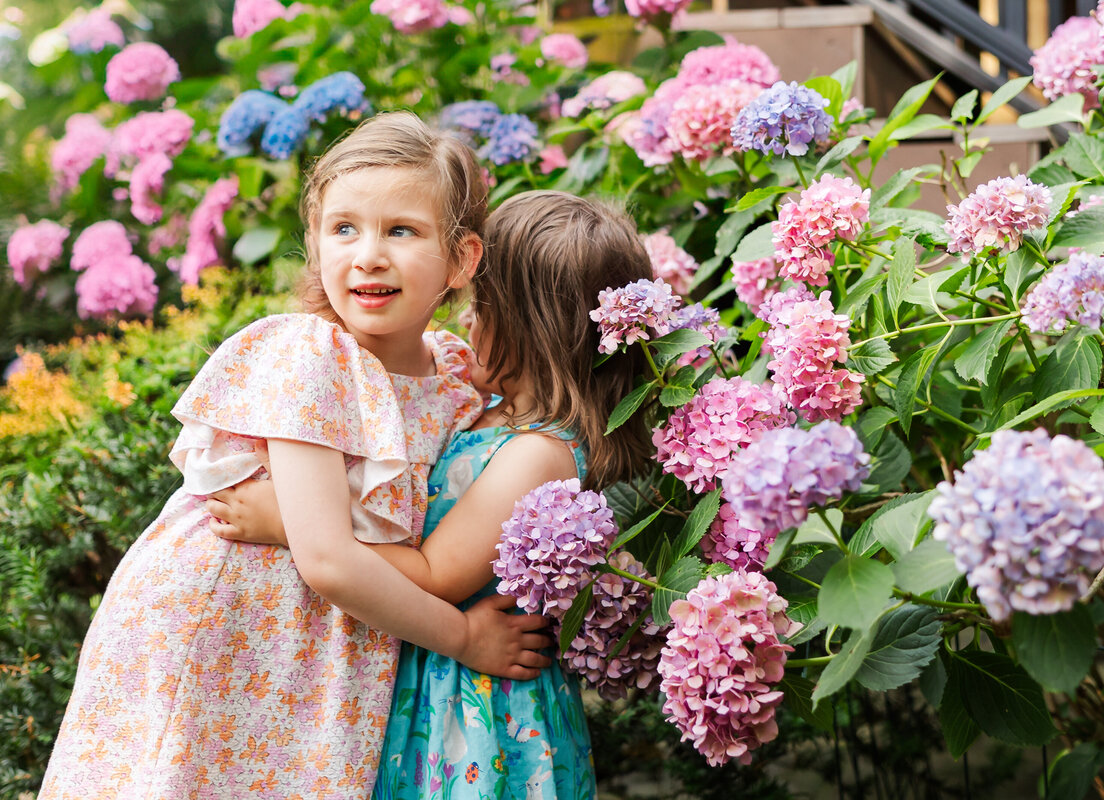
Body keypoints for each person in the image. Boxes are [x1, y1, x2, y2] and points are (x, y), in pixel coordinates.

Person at [38, 112, 554, 800]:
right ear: (314, 243)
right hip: (231, 625)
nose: (368, 254)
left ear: (462, 259)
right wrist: (462, 638)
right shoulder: (312, 355)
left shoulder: (454, 376)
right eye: (343, 229)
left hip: (331, 639)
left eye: (401, 230)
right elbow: (328, 559)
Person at [205, 190, 655, 800]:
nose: (468, 320)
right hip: (436, 669)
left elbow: (433, 572)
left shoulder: (539, 453)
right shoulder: (492, 416)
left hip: (477, 710)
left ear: (536, 328)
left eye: (484, 306)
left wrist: (294, 523)